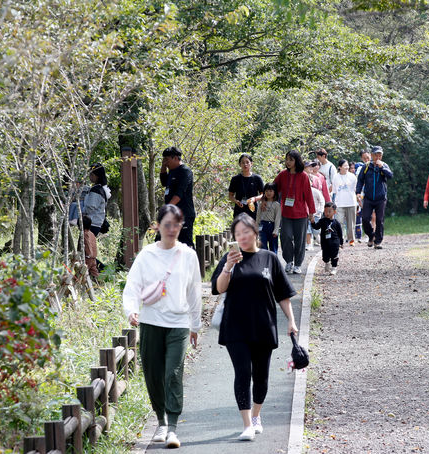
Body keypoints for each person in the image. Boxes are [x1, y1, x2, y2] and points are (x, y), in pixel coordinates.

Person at [210, 213, 298, 441]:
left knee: (261, 376)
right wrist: (228, 266)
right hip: (235, 327)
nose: (242, 237)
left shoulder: (269, 258)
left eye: (246, 232)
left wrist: (291, 320)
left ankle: (257, 416)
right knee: (242, 372)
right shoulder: (229, 259)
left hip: (263, 325)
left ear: (255, 233)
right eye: (238, 234)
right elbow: (219, 288)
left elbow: (283, 294)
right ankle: (247, 424)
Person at [123, 204, 202, 449]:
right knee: (153, 374)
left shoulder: (188, 255)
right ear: (157, 226)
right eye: (167, 224)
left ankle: (173, 428)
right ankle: (161, 421)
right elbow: (133, 285)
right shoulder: (146, 254)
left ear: (181, 226)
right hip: (150, 322)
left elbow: (194, 292)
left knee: (173, 373)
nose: (171, 229)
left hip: (178, 323)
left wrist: (195, 326)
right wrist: (131, 310)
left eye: (176, 225)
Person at [273, 151, 315, 274]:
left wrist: (311, 212)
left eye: (291, 160)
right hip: (285, 213)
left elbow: (308, 195)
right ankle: (289, 261)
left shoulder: (303, 176)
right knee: (285, 237)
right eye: (287, 160)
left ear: (297, 161)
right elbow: (273, 189)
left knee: (300, 240)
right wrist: (265, 200)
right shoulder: (282, 175)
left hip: (301, 214)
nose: (288, 162)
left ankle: (297, 264)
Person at [356, 145, 393, 249]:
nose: (377, 157)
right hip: (368, 198)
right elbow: (360, 180)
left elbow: (390, 176)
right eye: (375, 155)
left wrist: (382, 167)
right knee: (365, 219)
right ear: (371, 155)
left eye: (379, 155)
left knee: (379, 220)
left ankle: (378, 241)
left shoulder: (384, 165)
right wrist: (358, 193)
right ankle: (371, 235)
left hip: (381, 198)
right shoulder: (366, 166)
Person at [159, 147, 196, 248]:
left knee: (185, 243)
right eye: (164, 160)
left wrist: (166, 209)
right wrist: (163, 166)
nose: (165, 162)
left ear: (175, 158)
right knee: (160, 240)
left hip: (184, 214)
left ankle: (194, 263)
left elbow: (179, 194)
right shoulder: (171, 171)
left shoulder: (185, 171)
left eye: (167, 160)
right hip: (171, 213)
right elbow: (163, 182)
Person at [228, 154, 264, 220]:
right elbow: (230, 196)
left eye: (247, 162)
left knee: (251, 229)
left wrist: (254, 199)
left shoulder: (257, 178)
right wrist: (236, 201)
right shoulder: (235, 179)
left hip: (252, 210)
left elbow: (263, 195)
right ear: (240, 164)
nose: (245, 164)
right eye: (243, 162)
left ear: (251, 163)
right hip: (239, 210)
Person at [311, 202, 344, 275]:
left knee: (334, 255)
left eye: (329, 211)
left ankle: (334, 268)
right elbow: (316, 227)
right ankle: (327, 262)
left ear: (334, 212)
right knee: (325, 256)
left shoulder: (336, 223)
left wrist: (341, 242)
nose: (327, 213)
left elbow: (340, 233)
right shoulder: (322, 221)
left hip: (335, 242)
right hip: (325, 242)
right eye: (325, 211)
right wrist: (312, 222)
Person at [331, 159, 358, 245]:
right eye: (344, 165)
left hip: (351, 202)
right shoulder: (335, 177)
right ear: (339, 167)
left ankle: (351, 240)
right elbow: (334, 191)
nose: (347, 167)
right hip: (339, 203)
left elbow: (355, 189)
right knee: (339, 222)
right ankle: (340, 240)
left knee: (351, 224)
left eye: (347, 165)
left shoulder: (352, 177)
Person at [83, 163, 111, 237]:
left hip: (92, 223)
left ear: (97, 176)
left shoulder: (96, 190)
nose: (90, 177)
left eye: (91, 175)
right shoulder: (101, 189)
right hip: (96, 223)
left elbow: (90, 207)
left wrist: (81, 212)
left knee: (85, 246)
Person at [257, 183, 281, 254]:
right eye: (266, 191)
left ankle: (274, 263)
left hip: (272, 226)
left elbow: (278, 218)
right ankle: (265, 262)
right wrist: (256, 226)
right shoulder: (261, 204)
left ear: (274, 192)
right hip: (262, 226)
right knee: (262, 246)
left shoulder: (277, 205)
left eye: (271, 191)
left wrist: (276, 230)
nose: (268, 193)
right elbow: (258, 216)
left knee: (273, 247)